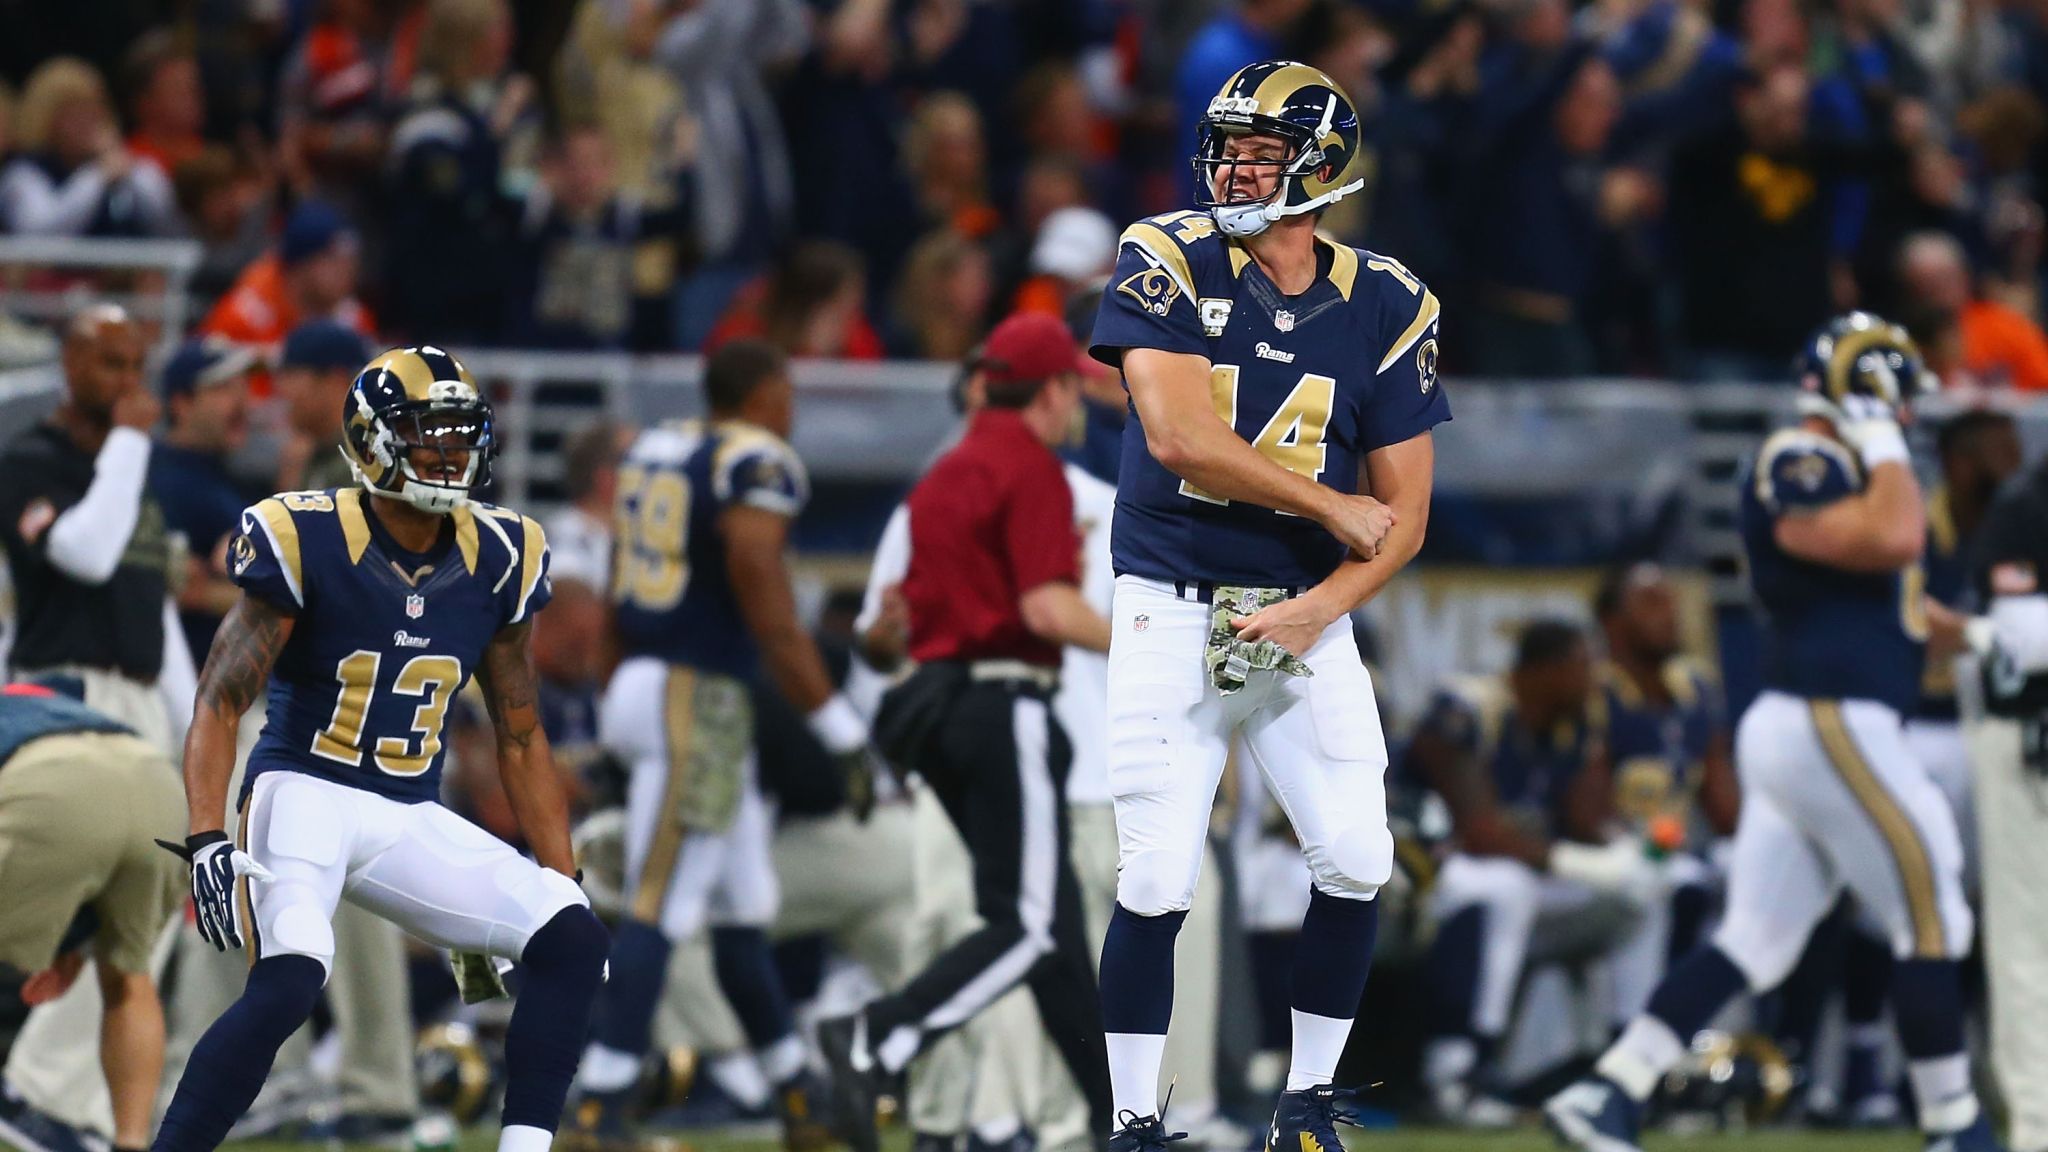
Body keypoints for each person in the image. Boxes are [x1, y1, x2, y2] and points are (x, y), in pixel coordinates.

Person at [1085, 59, 1447, 1152]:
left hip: (1300, 613)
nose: (1231, 166)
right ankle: (1134, 1122)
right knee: (1153, 873)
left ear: (1320, 167)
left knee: (1357, 856)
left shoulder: (1386, 298)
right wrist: (1326, 504)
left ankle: (1304, 1108)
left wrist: (1314, 607)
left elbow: (1406, 517)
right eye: (1226, 145)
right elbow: (1177, 437)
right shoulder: (1165, 254)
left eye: (1258, 150)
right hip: (1170, 598)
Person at [1545, 313, 2001, 1152]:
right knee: (1933, 909)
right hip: (1831, 720)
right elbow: (1893, 536)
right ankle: (1955, 1126)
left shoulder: (1854, 471)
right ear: (1869, 391)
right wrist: (1883, 444)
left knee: (1757, 937)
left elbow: (1889, 598)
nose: (1907, 420)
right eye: (1897, 399)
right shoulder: (1808, 459)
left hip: (1816, 728)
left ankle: (1610, 1092)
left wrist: (1972, 637)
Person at [148, 345, 611, 1152]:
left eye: (460, 435)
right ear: (372, 441)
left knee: (571, 936)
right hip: (303, 792)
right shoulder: (306, 534)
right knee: (291, 979)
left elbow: (521, 728)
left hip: (405, 810)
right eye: (427, 435)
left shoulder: (501, 554)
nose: (448, 454)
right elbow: (221, 699)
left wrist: (558, 873)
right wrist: (205, 837)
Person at [817, 311, 1113, 1152]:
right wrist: (1145, 650)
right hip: (1002, 700)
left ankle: (1117, 1120)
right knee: (1028, 928)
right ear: (1054, 389)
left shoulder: (943, 476)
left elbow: (891, 631)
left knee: (1049, 938)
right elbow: (1045, 607)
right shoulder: (1034, 471)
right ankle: (882, 1034)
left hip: (935, 705)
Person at [567, 339, 867, 1151]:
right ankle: (596, 1105)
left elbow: (621, 588)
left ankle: (795, 1096)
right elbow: (764, 596)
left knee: (742, 908)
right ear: (768, 393)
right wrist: (841, 731)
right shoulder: (753, 460)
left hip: (645, 683)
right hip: (696, 698)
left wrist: (608, 708)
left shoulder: (658, 447)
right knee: (661, 907)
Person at [1414, 620, 1649, 1125]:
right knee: (1507, 888)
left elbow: (1587, 818)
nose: (1593, 679)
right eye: (1581, 665)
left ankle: (1628, 1060)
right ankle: (1459, 1068)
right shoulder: (1470, 706)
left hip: (1504, 882)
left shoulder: (1574, 722)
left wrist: (1626, 847)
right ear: (1543, 670)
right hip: (1414, 867)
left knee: (1636, 897)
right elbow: (1476, 831)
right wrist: (1577, 862)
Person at [0, 683, 184, 1152]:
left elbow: (69, 820)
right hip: (155, 779)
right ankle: (130, 1142)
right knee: (128, 978)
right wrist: (69, 949)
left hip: (52, 786)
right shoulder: (42, 696)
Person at [1955, 413, 2048, 1152]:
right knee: (2027, 945)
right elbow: (2018, 633)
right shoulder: (2028, 503)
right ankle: (2038, 1128)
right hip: (2027, 745)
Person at [1591, 563, 1740, 1021]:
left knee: (1740, 870)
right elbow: (1587, 812)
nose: (1671, 616)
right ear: (1612, 621)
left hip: (1673, 849)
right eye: (1652, 604)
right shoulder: (1594, 689)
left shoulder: (1694, 688)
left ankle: (1771, 1042)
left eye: (1672, 604)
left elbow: (1725, 809)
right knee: (1671, 883)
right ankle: (1646, 1033)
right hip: (1611, 853)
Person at [150, 340, 258, 668]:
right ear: (182, 403)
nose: (242, 402)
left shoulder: (220, 475)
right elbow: (175, 588)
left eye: (243, 388)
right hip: (177, 679)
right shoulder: (165, 482)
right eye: (224, 388)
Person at [200, 201, 378, 396]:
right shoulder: (241, 316)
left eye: (350, 260)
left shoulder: (351, 316)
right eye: (333, 260)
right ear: (301, 265)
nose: (347, 270)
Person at [273, 320, 374, 492]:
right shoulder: (315, 454)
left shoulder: (369, 463)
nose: (280, 388)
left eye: (290, 375)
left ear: (336, 382)